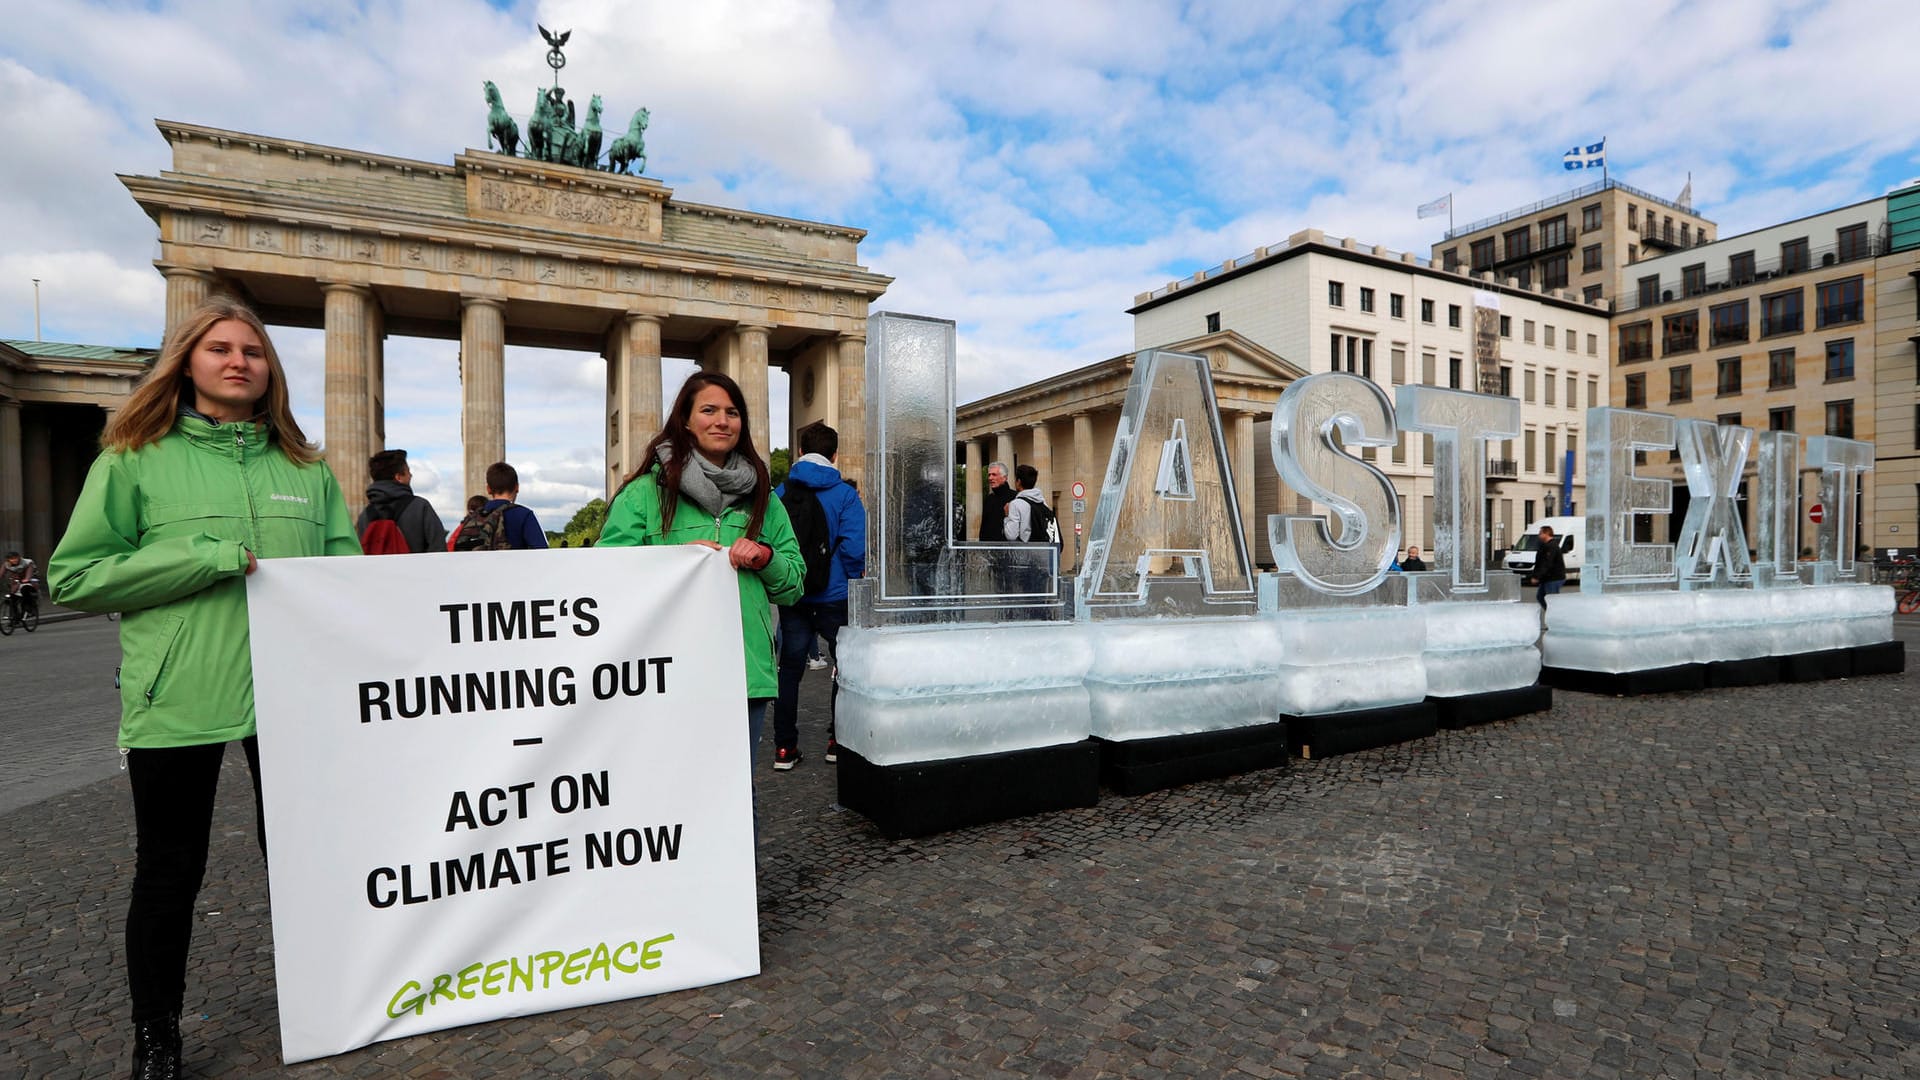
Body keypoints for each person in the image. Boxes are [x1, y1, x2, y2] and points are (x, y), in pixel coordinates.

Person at [46, 295, 359, 1080]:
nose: (238, 361)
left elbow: (352, 579)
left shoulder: (308, 469)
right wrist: (206, 557)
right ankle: (157, 1034)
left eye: (252, 351)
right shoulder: (132, 459)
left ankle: (328, 999)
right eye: (219, 348)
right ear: (186, 361)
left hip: (292, 698)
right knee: (169, 871)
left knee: (302, 863)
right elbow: (74, 577)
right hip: (176, 693)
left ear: (269, 371)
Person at [598, 372, 804, 767]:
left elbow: (794, 584)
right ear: (686, 420)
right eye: (708, 410)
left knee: (739, 798)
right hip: (666, 673)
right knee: (673, 787)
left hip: (744, 673)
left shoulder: (764, 496)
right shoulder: (642, 493)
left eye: (732, 412)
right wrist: (673, 561)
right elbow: (608, 577)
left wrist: (765, 557)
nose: (721, 421)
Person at [770, 421, 865, 770]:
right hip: (834, 595)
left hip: (794, 594)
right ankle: (836, 741)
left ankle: (784, 747)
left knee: (789, 669)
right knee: (843, 666)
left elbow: (771, 541)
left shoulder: (780, 493)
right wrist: (844, 577)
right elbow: (855, 547)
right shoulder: (844, 494)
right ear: (834, 453)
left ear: (799, 451)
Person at [356, 449, 447, 554]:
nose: (411, 475)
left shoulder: (364, 515)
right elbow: (438, 549)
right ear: (398, 477)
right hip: (416, 569)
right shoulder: (420, 507)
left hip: (378, 570)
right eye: (408, 471)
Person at [454, 462, 547, 550]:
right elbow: (541, 552)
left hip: (477, 566)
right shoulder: (523, 515)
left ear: (488, 489)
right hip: (512, 566)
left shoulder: (472, 518)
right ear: (517, 487)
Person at [1002, 464, 1053, 543]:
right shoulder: (1042, 502)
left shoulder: (1015, 504)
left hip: (1026, 552)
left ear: (1018, 482)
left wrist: (1006, 517)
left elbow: (1011, 535)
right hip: (1043, 550)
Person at [1524, 524, 1568, 609]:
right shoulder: (1546, 546)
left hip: (1553, 578)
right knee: (1540, 597)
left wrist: (1537, 577)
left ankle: (1555, 615)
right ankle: (1551, 613)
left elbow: (1547, 564)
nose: (1539, 535)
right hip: (1546, 578)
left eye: (1540, 533)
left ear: (1546, 534)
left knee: (1551, 600)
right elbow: (1540, 563)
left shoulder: (1551, 546)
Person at [979, 461, 1014, 541]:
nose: (990, 478)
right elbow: (983, 529)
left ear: (1004, 477)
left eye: (994, 475)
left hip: (1009, 550)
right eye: (989, 475)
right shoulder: (988, 499)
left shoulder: (1015, 498)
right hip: (989, 551)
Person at [2, 550, 38, 625]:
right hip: (17, 580)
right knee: (12, 599)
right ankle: (15, 618)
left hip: (30, 579)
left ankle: (29, 609)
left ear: (19, 558)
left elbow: (29, 571)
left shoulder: (27, 562)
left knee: (25, 590)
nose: (13, 560)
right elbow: (1, 574)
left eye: (15, 558)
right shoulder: (6, 564)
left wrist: (27, 579)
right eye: (11, 559)